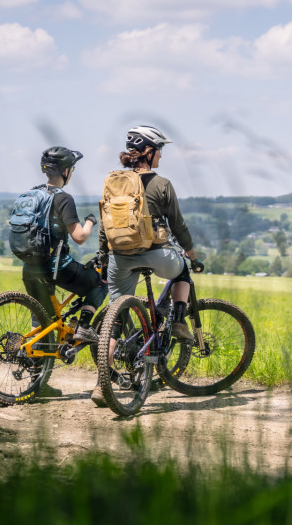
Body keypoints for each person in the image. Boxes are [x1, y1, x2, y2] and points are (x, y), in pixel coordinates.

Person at [94, 125, 203, 405]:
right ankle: (177, 321)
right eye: (160, 150)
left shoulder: (113, 182)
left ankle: (100, 385)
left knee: (116, 319)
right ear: (148, 151)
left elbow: (105, 224)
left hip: (118, 257)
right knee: (183, 271)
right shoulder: (161, 183)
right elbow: (178, 225)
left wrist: (104, 257)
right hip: (155, 254)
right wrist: (192, 256)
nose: (162, 156)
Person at [22, 146, 107, 359]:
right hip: (56, 266)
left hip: (30, 267)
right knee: (99, 283)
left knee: (42, 319)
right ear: (65, 171)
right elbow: (79, 236)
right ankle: (84, 327)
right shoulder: (63, 198)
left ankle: (36, 371)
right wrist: (90, 221)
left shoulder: (31, 194)